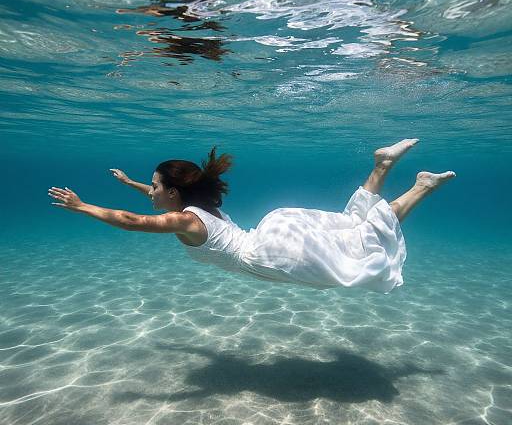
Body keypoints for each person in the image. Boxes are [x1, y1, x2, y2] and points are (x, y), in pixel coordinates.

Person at [48, 140, 455, 293]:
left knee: (363, 246)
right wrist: (130, 183)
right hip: (275, 230)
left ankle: (418, 184)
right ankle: (387, 166)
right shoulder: (201, 206)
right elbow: (158, 201)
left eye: (154, 187)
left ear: (173, 192)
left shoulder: (189, 220)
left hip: (270, 255)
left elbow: (133, 221)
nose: (150, 193)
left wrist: (81, 206)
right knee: (355, 228)